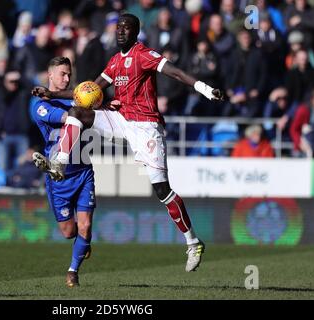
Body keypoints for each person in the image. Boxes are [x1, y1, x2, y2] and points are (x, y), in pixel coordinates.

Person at [31, 14, 224, 273]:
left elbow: (174, 72)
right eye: (118, 27)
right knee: (78, 111)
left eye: (126, 28)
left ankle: (193, 242)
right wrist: (52, 94)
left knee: (162, 191)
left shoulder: (143, 54)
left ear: (135, 32)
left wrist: (203, 87)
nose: (121, 31)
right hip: (120, 119)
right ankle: (61, 163)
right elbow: (88, 91)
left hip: (146, 127)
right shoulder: (114, 62)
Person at [31, 57, 94, 287]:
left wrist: (103, 104)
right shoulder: (40, 104)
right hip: (59, 177)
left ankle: (72, 271)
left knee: (85, 225)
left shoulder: (77, 98)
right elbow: (70, 118)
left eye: (69, 74)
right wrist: (84, 111)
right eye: (62, 74)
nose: (67, 79)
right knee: (70, 232)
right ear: (50, 76)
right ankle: (82, 242)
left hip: (84, 170)